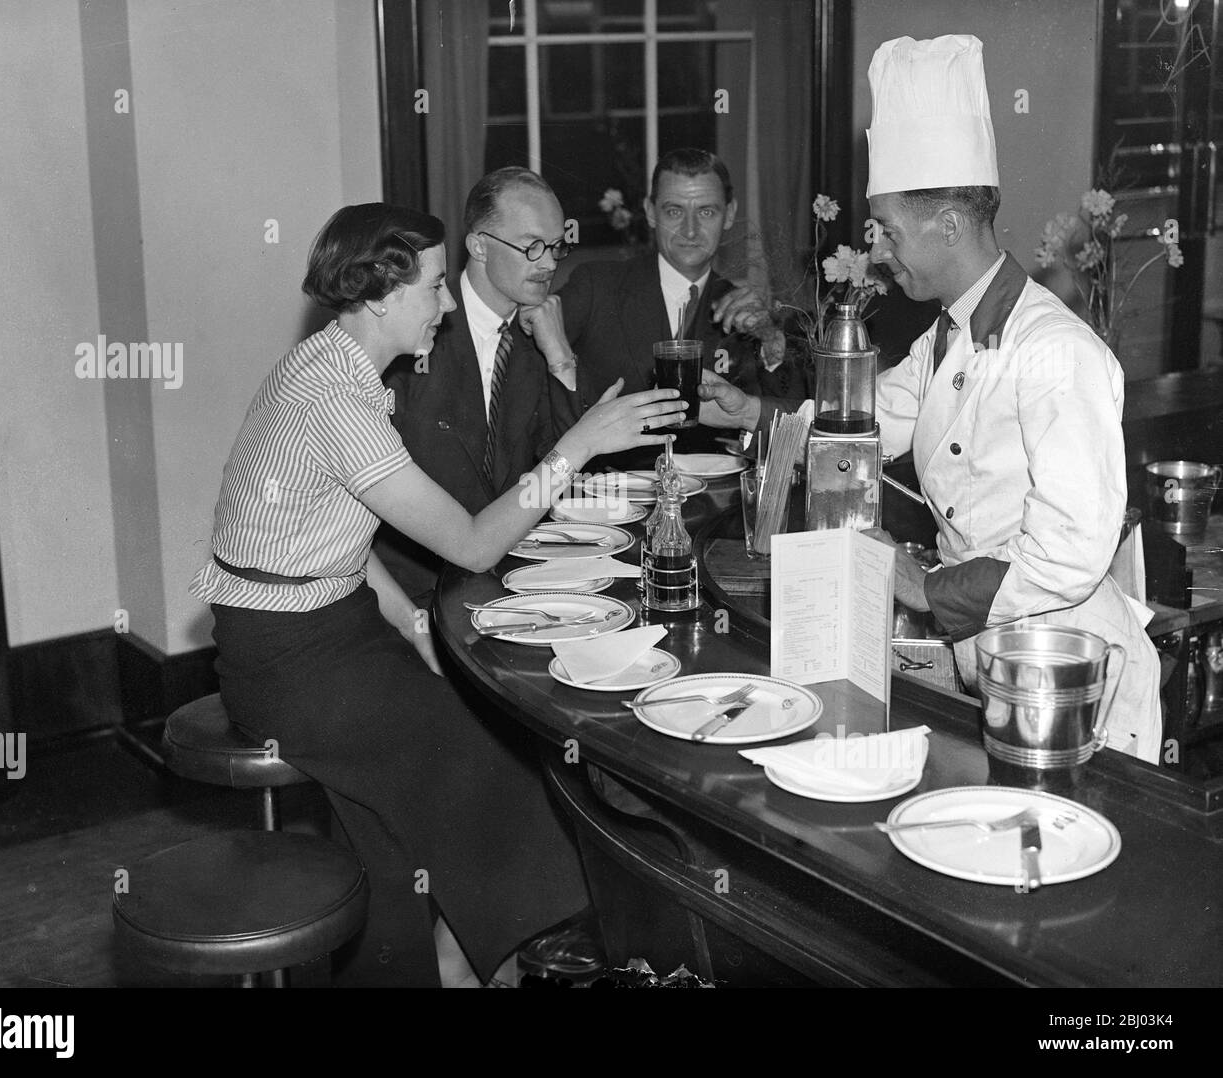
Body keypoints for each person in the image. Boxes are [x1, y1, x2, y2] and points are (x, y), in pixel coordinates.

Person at [189, 203, 685, 986]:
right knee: (503, 759)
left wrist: (416, 624)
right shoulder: (336, 401)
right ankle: (492, 959)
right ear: (381, 296)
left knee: (394, 830)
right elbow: (475, 543)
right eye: (432, 288)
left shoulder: (334, 364)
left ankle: (444, 965)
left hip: (327, 625)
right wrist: (579, 442)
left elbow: (337, 541)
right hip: (287, 659)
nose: (449, 304)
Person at [699, 35, 1162, 764]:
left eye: (888, 229)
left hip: (1073, 683)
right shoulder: (946, 335)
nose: (877, 248)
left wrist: (924, 584)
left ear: (949, 223)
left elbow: (1071, 552)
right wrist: (756, 415)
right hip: (996, 663)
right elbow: (867, 424)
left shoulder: (1054, 350)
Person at [378, 168, 581, 601]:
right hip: (413, 589)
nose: (547, 263)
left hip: (513, 580)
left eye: (555, 246)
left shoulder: (539, 334)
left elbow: (564, 471)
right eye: (532, 247)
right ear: (478, 245)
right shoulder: (412, 330)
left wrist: (561, 358)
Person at [558, 147, 804, 465]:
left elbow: (790, 427)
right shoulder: (596, 285)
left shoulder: (746, 312)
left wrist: (771, 341)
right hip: (608, 501)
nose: (689, 230)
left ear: (730, 213)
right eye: (674, 211)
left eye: (706, 212)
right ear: (650, 211)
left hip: (714, 505)